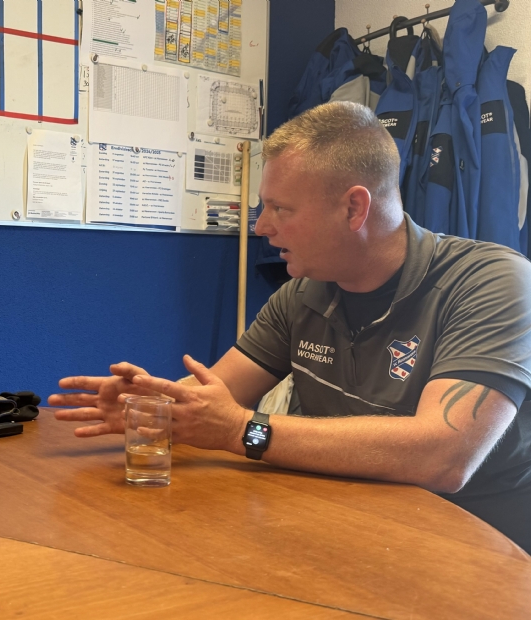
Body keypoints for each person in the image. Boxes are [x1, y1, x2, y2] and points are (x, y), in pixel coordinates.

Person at [49, 101, 531, 553]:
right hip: (347, 523)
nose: (261, 226)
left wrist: (243, 431)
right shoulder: (302, 293)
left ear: (354, 208)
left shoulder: (493, 281)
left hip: (477, 545)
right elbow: (216, 398)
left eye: (281, 209)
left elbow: (444, 458)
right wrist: (150, 407)